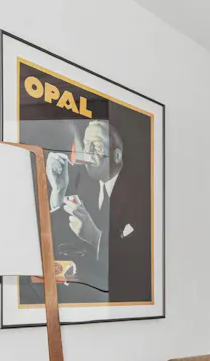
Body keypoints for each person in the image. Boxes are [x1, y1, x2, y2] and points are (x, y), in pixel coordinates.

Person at [44, 119, 150, 302]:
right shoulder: (82, 181)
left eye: (97, 146)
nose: (88, 152)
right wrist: (59, 191)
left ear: (116, 156)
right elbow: (55, 236)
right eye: (86, 144)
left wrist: (95, 237)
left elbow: (139, 258)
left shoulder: (143, 194)